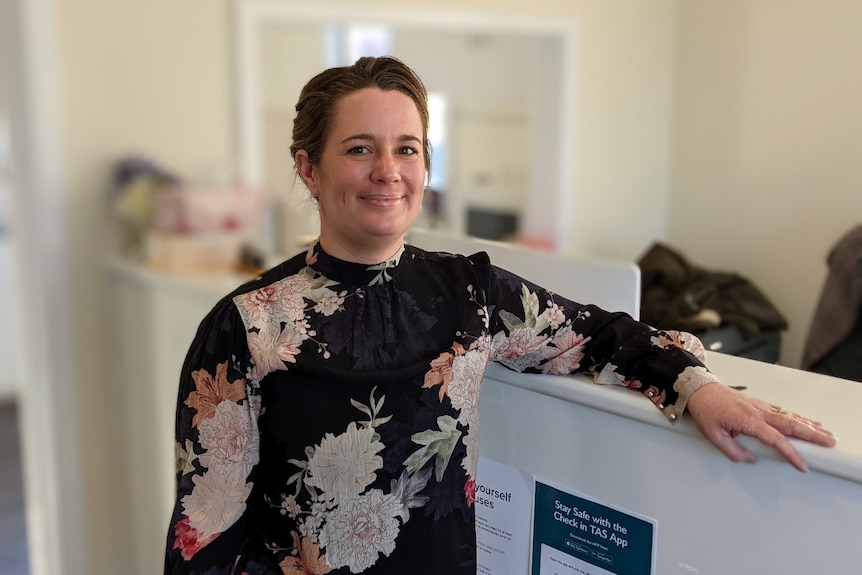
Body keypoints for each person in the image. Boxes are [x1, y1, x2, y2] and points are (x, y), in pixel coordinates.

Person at [164, 56, 836, 574]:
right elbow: (207, 530)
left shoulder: (467, 293)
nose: (388, 171)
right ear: (307, 168)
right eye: (359, 148)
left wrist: (700, 388)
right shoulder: (246, 323)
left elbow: (599, 334)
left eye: (407, 147)